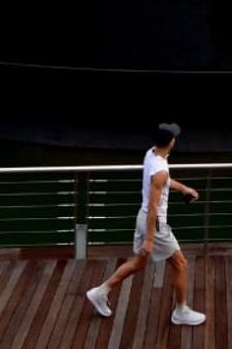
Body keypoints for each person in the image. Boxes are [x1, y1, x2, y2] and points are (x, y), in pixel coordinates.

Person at [86, 124, 206, 327]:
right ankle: (181, 311)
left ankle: (100, 292)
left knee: (139, 263)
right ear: (171, 142)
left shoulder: (151, 155)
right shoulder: (160, 169)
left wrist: (183, 188)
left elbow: (162, 181)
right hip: (155, 223)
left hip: (143, 219)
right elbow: (153, 204)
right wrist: (150, 239)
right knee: (181, 264)